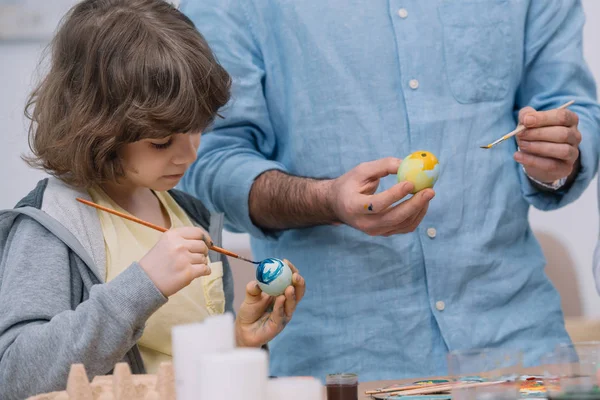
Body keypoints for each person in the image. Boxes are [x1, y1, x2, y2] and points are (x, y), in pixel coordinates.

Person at [179, 0, 600, 382]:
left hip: (521, 354)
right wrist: (327, 201)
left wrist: (559, 157)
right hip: (343, 367)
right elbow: (206, 161)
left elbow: (572, 109)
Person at [0, 1, 305, 399]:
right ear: (96, 128)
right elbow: (17, 376)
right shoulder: (51, 228)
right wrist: (143, 285)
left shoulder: (191, 216)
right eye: (162, 142)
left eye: (197, 131)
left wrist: (238, 342)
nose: (188, 155)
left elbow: (184, 372)